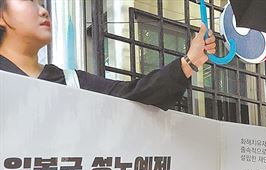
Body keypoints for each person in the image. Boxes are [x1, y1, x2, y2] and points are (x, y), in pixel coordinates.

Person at [0, 0, 215, 109]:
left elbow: (133, 96)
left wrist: (189, 62)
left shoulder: (72, 82)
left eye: (41, 2)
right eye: (28, 0)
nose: (43, 10)